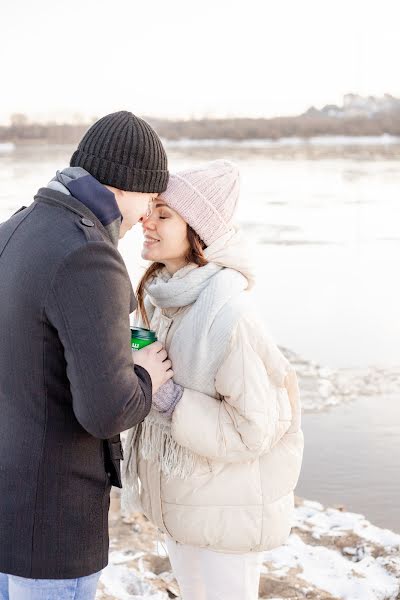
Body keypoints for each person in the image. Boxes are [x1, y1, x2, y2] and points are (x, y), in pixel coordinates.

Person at [0, 111, 173, 600]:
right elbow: (106, 410)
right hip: (52, 528)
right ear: (127, 186)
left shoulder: (13, 229)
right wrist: (144, 376)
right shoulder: (88, 254)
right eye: (150, 197)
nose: (148, 215)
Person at [123, 159, 304, 600]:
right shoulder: (165, 299)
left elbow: (255, 427)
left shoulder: (230, 315)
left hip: (226, 512)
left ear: (198, 233)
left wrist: (168, 399)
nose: (147, 220)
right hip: (185, 503)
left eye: (164, 215)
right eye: (152, 209)